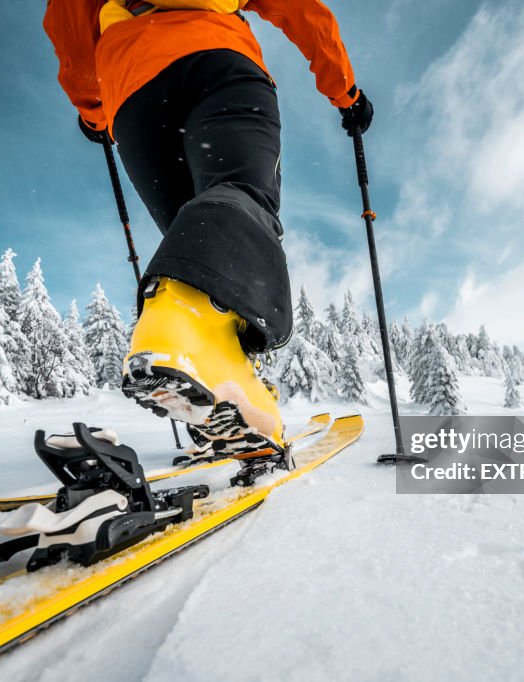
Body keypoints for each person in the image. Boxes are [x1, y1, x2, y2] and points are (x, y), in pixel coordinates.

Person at [43, 0, 373, 472]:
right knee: (238, 201)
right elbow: (301, 9)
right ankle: (178, 338)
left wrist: (93, 109)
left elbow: (70, 24)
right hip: (216, 62)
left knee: (201, 244)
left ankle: (227, 392)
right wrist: (345, 91)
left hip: (134, 94)